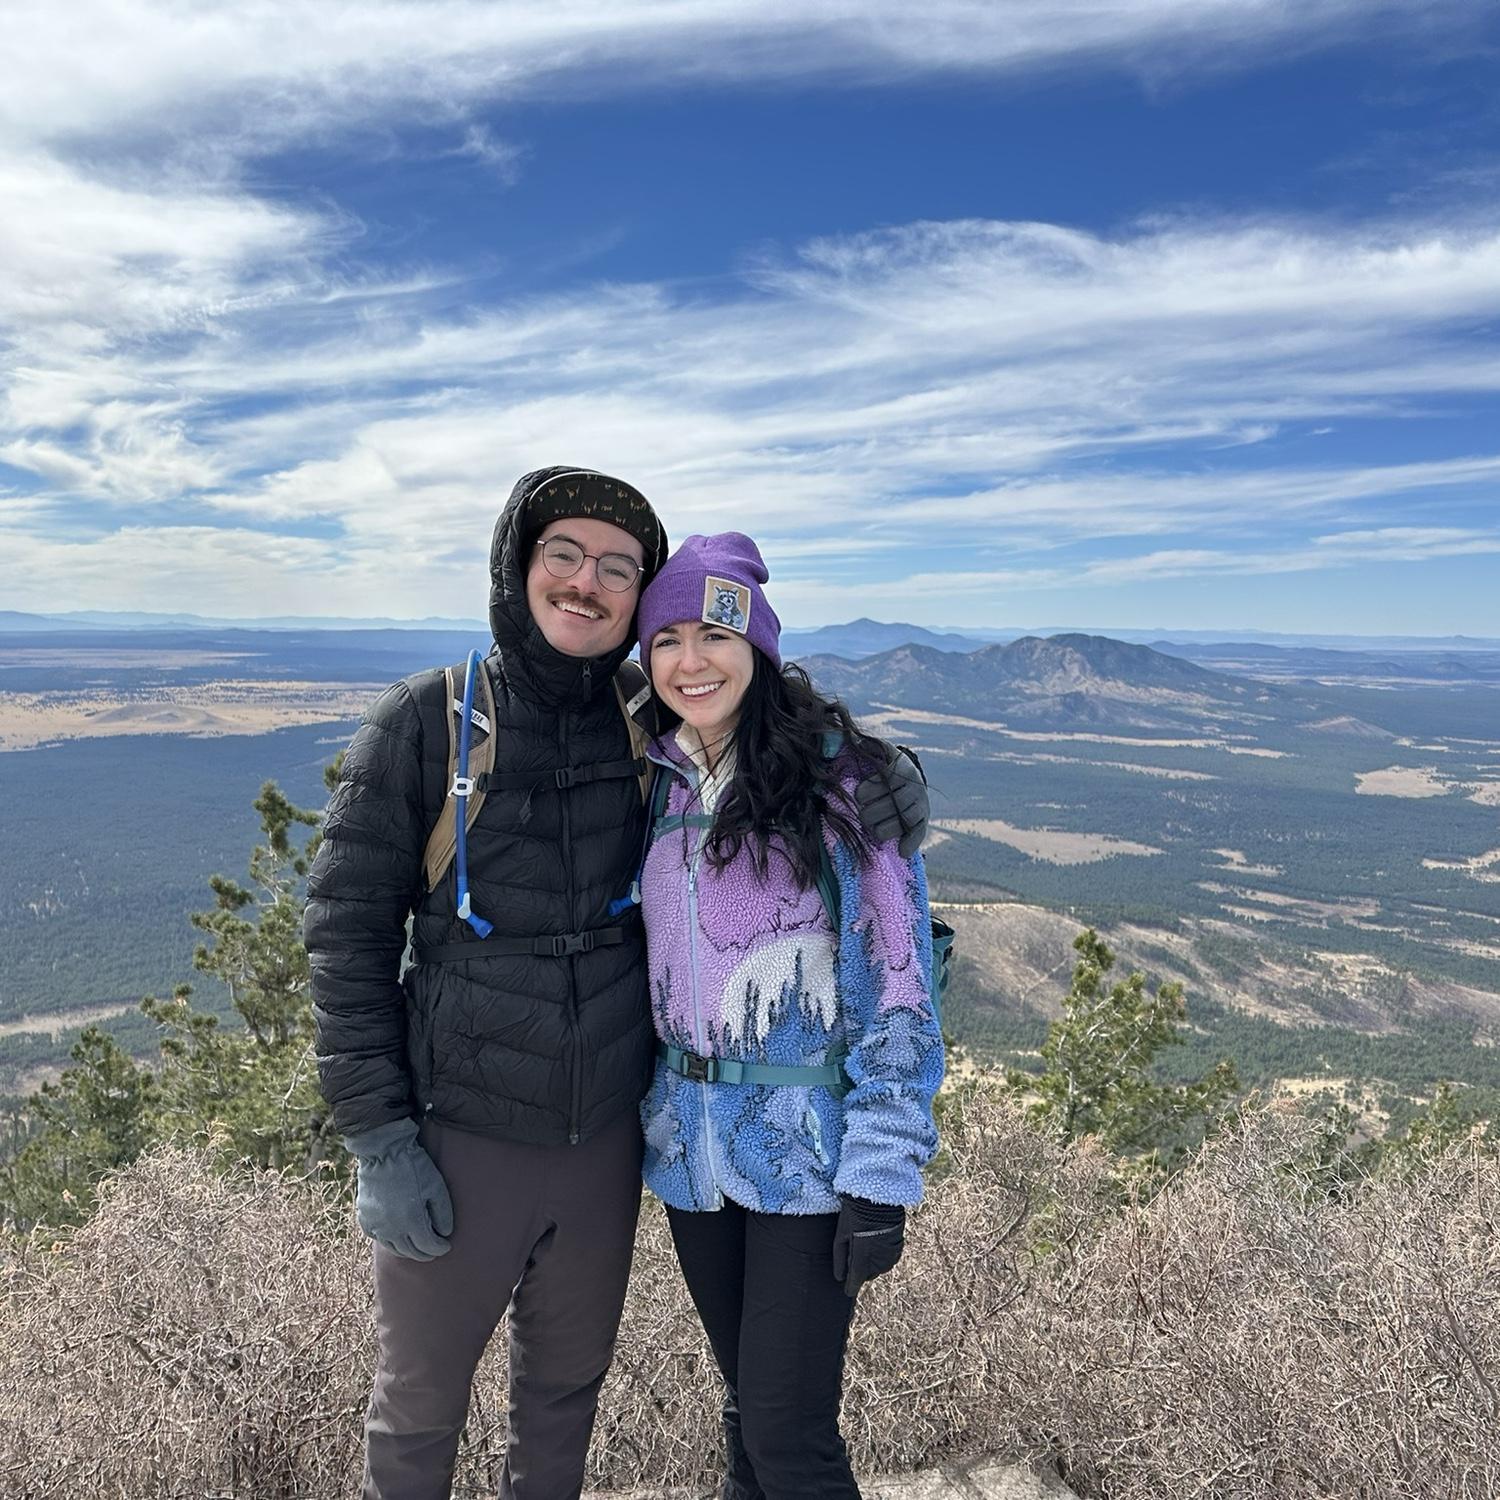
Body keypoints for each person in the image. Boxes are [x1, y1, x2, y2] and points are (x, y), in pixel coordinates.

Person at [304, 469, 931, 1500]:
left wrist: (874, 767)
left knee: (583, 1399)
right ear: (520, 564)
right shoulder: (436, 721)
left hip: (646, 1143)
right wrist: (377, 1137)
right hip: (487, 1128)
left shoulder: (668, 730)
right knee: (421, 1410)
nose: (588, 582)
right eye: (565, 554)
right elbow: (344, 935)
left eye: (618, 568)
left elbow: (890, 968)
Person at [633, 533, 946, 1500]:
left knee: (788, 1432)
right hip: (692, 1157)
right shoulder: (655, 778)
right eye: (669, 638)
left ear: (758, 651)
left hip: (809, 1162)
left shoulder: (839, 787)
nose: (692, 661)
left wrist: (884, 1170)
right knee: (746, 1407)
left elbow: (898, 981)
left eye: (714, 637)